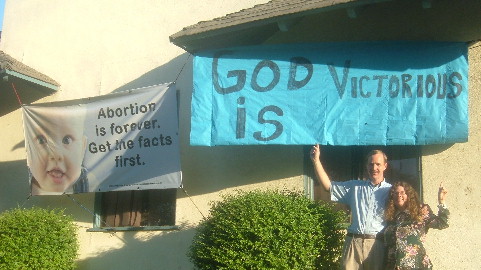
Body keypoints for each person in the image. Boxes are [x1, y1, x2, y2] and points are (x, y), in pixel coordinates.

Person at [310, 144, 392, 270]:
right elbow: (328, 187)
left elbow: (407, 208)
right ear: (366, 166)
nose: (374, 168)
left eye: (378, 164)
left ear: (385, 166)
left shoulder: (391, 191)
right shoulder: (354, 187)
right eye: (370, 164)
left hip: (377, 244)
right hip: (353, 243)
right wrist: (316, 161)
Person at [24, 105, 89, 195]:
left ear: (83, 148)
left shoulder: (86, 181)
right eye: (41, 140)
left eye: (67, 140)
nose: (56, 154)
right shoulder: (22, 181)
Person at [384, 181, 449, 269]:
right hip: (394, 266)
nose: (399, 195)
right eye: (395, 193)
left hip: (416, 265)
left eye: (403, 193)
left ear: (409, 195)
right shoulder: (391, 217)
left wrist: (441, 202)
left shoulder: (421, 211)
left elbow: (442, 223)